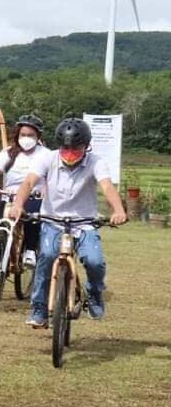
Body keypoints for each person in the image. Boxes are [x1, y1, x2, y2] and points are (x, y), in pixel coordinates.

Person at [9, 118, 127, 328]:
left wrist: (118, 210)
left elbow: (107, 187)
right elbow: (28, 182)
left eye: (76, 148)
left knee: (94, 261)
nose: (71, 152)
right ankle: (38, 310)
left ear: (86, 146)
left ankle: (94, 294)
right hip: (53, 221)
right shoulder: (47, 159)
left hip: (84, 223)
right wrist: (18, 204)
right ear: (59, 145)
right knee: (45, 259)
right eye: (66, 148)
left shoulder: (96, 162)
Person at [0, 114, 51, 268]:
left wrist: (46, 190)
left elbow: (51, 176)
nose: (26, 138)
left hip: (34, 195)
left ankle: (30, 250)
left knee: (32, 218)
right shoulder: (9, 152)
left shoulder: (46, 154)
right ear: (18, 135)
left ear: (38, 136)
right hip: (9, 196)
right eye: (23, 135)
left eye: (30, 135)